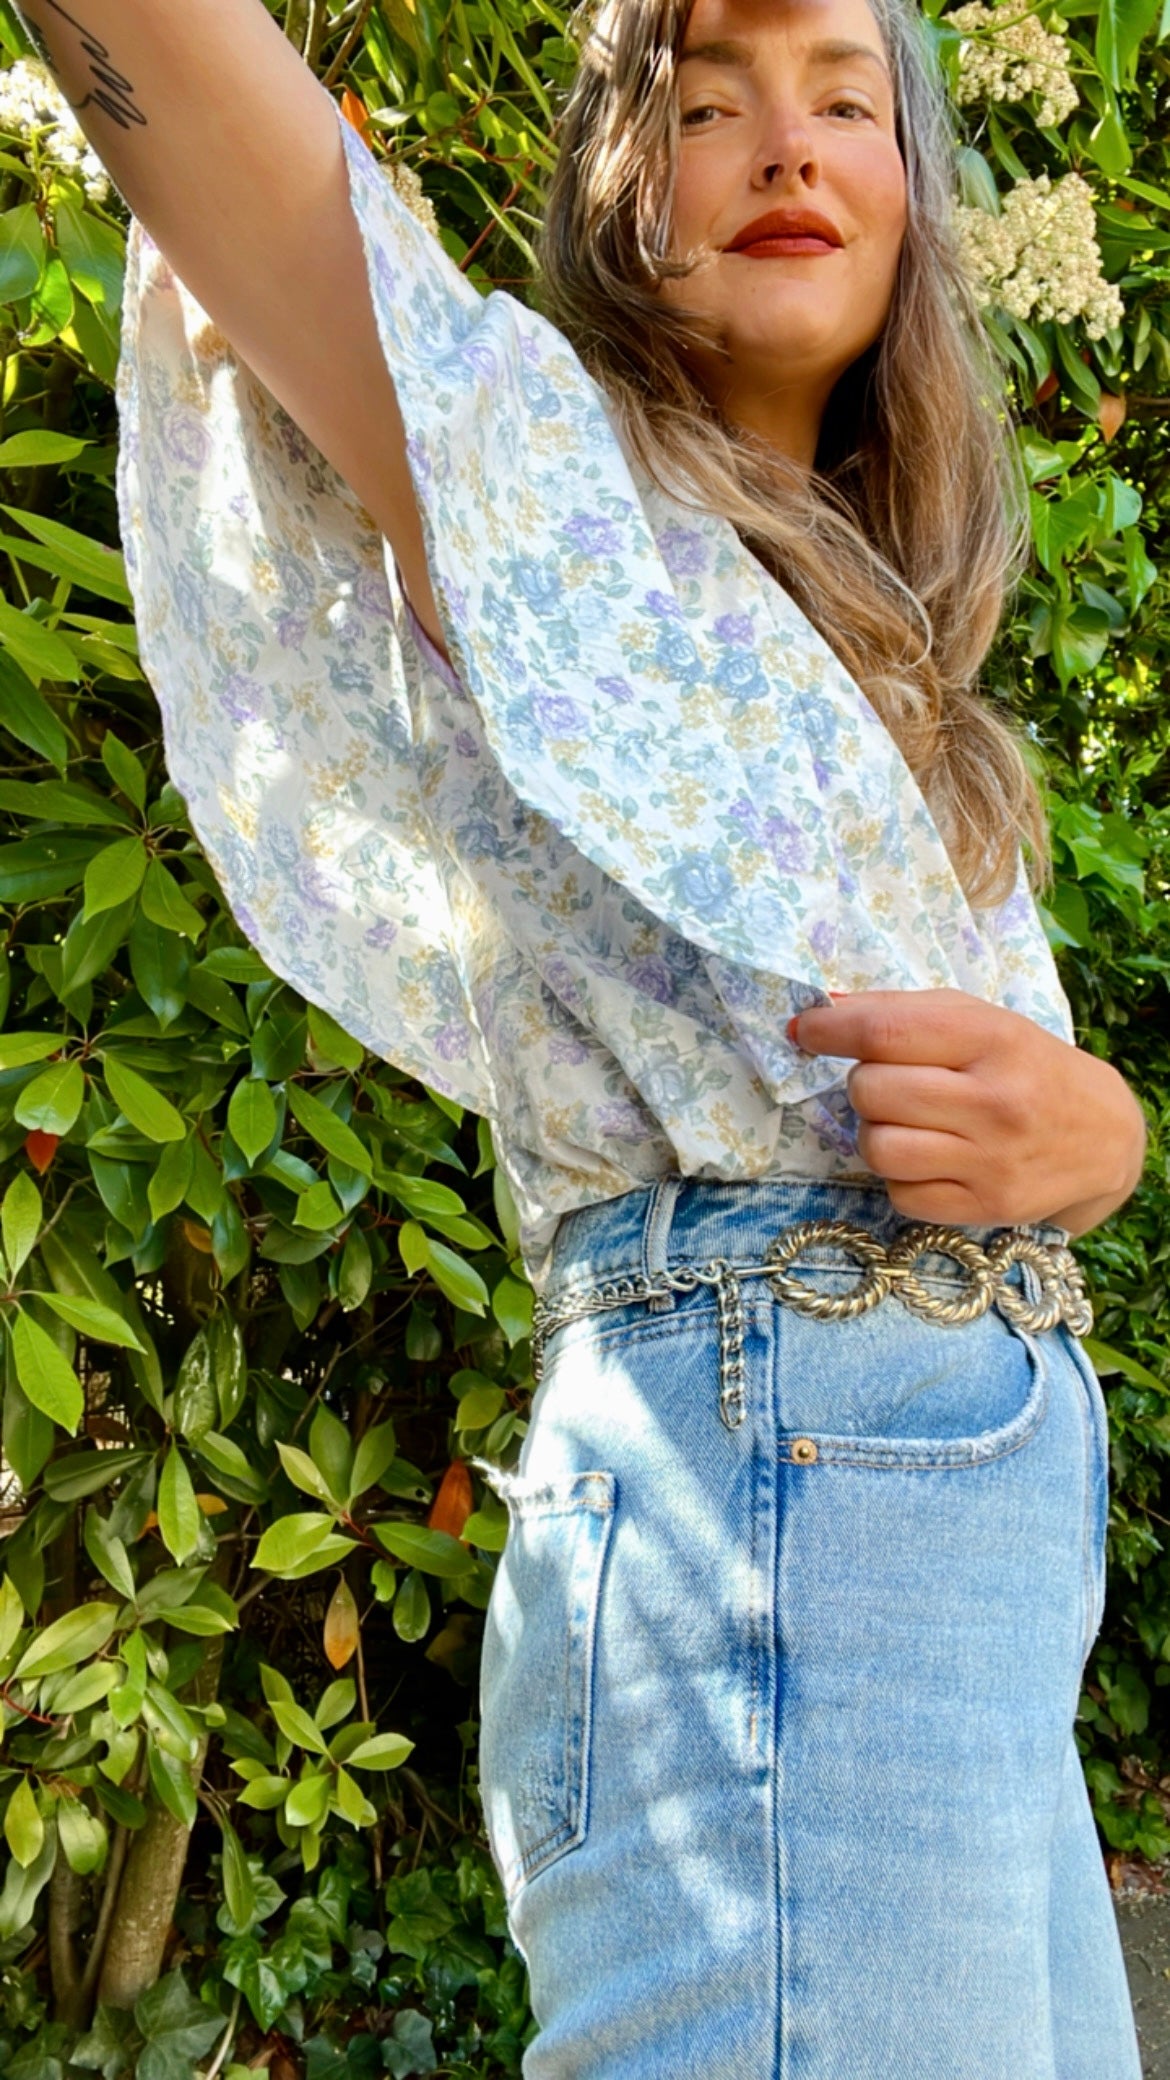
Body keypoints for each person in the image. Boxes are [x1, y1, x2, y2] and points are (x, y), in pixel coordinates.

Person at [19, 0, 1148, 2068]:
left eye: (843, 98)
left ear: (914, 188)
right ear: (621, 199)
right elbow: (219, 122)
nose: (786, 145)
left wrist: (1107, 1138)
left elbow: (998, 1109)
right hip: (772, 1502)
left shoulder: (901, 663)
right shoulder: (539, 479)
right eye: (709, 101)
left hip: (938, 1577)